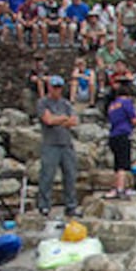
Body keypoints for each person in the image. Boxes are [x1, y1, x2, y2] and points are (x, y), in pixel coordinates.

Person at [36, 75, 80, 218]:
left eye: (59, 87)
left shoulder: (66, 104)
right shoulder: (43, 103)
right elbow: (48, 120)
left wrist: (58, 119)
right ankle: (44, 205)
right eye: (54, 87)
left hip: (66, 143)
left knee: (70, 175)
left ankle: (71, 206)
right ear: (49, 87)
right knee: (47, 175)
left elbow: (73, 121)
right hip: (50, 144)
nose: (57, 90)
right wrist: (62, 119)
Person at [104, 85, 136, 199]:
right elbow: (134, 119)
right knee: (123, 164)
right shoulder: (126, 102)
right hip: (123, 134)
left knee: (117, 163)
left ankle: (116, 187)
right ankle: (120, 189)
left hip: (113, 134)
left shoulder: (112, 105)